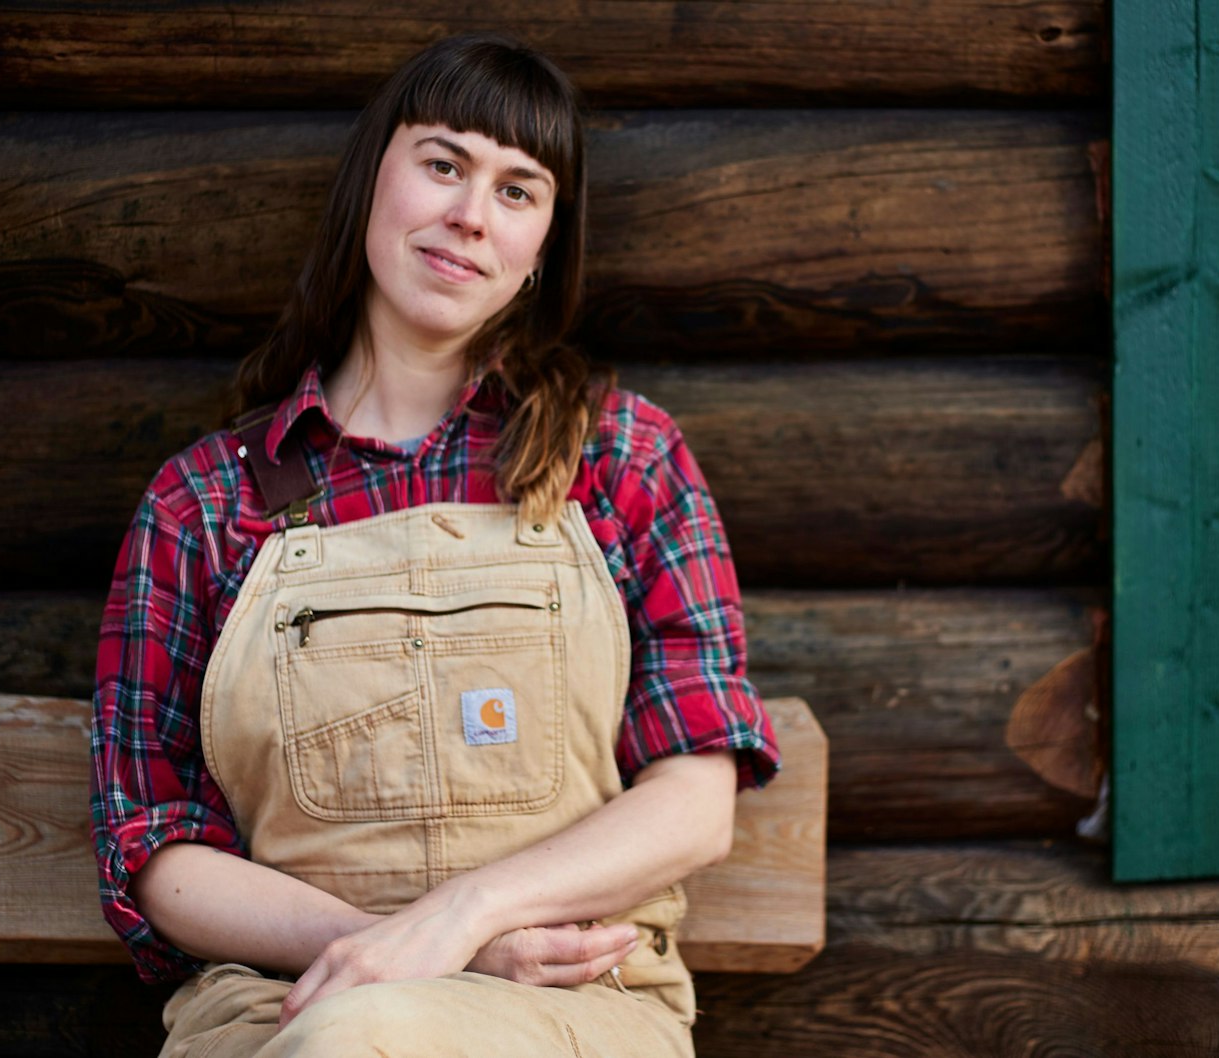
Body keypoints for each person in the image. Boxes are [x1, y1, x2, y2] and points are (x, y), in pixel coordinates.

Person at [88, 34, 780, 1058]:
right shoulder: (206, 503)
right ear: (374, 177)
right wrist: (386, 949)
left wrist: (464, 918)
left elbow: (692, 804)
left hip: (579, 1005)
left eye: (517, 189)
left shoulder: (620, 459)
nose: (468, 215)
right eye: (444, 164)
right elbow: (151, 845)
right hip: (277, 1004)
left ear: (543, 242)